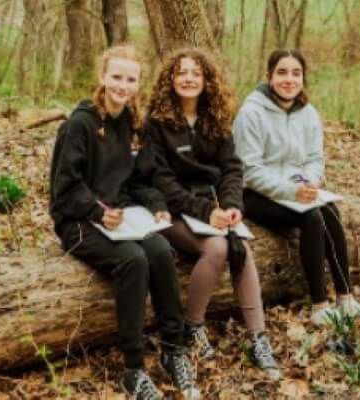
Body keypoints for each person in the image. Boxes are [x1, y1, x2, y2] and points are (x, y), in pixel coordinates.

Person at [49, 45, 200, 400]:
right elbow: (64, 189)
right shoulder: (81, 124)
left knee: (161, 250)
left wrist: (157, 206)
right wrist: (98, 211)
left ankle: (172, 349)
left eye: (130, 79)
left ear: (138, 83)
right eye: (116, 77)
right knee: (133, 259)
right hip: (77, 220)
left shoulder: (135, 124)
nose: (123, 85)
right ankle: (134, 368)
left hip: (123, 215)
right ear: (103, 77)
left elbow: (138, 182)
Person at [144, 48, 280, 380]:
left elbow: (232, 168)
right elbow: (161, 181)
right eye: (181, 72)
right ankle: (192, 326)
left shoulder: (214, 119)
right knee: (218, 248)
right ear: (170, 80)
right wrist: (207, 212)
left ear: (206, 81)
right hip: (171, 210)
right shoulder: (156, 124)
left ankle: (258, 338)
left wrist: (232, 206)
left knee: (240, 249)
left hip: (213, 208)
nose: (188, 78)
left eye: (195, 73)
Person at [232, 49, 360, 326]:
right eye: (282, 72)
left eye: (296, 73)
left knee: (330, 211)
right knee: (312, 216)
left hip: (298, 189)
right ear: (269, 76)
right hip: (255, 193)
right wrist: (291, 192)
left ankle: (345, 296)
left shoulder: (308, 113)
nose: (289, 79)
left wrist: (311, 181)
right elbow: (250, 170)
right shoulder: (251, 113)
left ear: (303, 78)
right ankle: (319, 304)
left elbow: (315, 159)